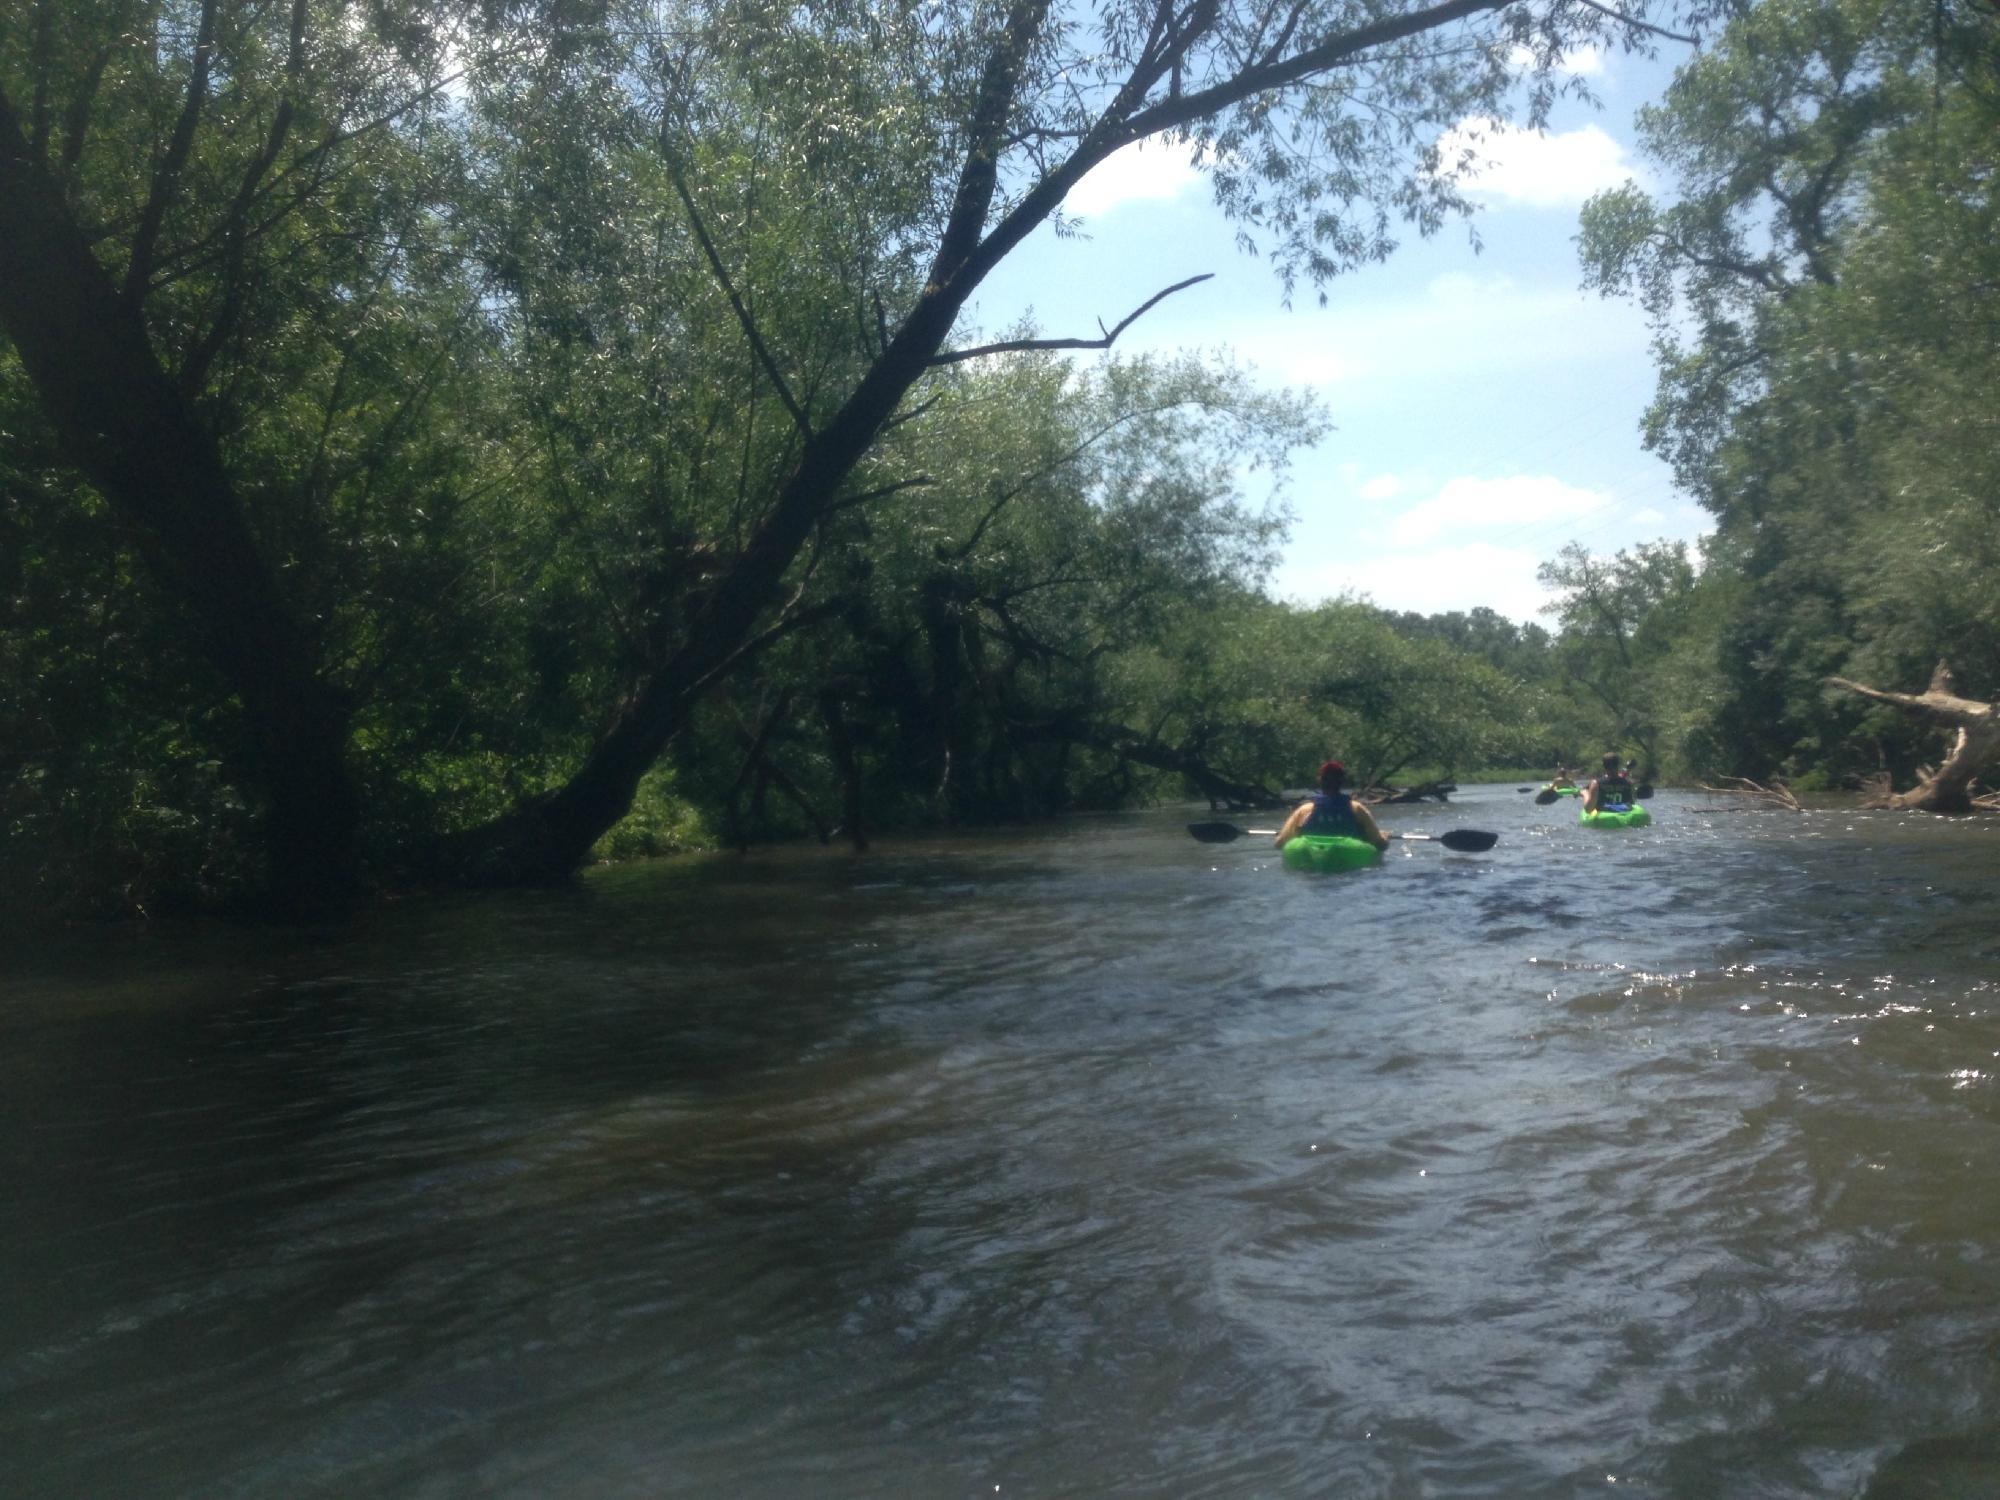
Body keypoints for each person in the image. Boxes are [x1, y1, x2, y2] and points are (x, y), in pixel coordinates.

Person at [1274, 760, 1390, 852]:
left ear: (1321, 781)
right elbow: (1380, 845)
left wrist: (1284, 835)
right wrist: (1384, 837)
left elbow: (1279, 844)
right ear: (1342, 782)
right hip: (1347, 858)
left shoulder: (1305, 810)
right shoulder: (1356, 809)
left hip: (1311, 860)